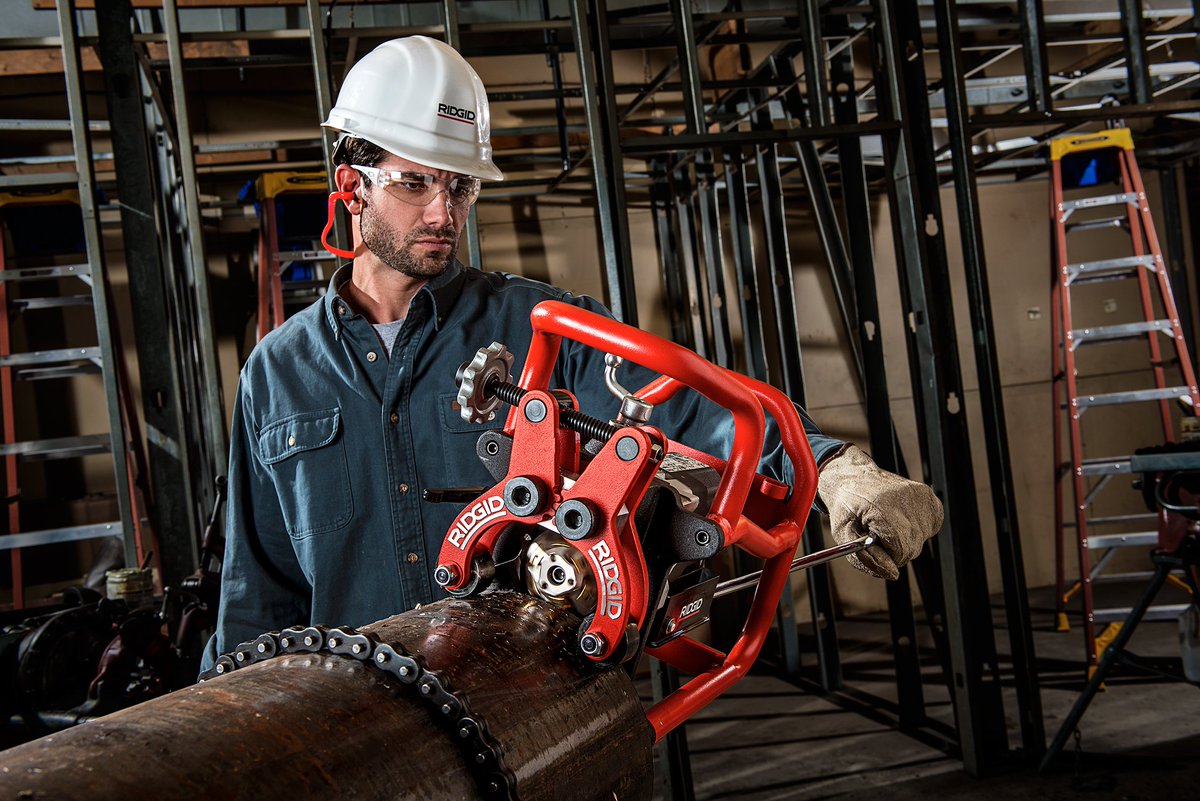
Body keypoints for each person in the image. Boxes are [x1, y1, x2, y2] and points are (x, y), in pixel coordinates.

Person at [202, 37, 942, 669]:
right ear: (351, 187)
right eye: (416, 182)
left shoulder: (541, 324)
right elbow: (257, 594)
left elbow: (695, 405)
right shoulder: (275, 374)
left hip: (528, 709)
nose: (443, 213)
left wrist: (834, 471)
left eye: (460, 187)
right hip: (361, 726)